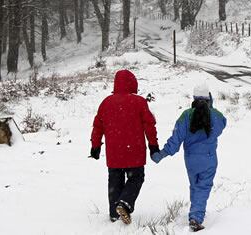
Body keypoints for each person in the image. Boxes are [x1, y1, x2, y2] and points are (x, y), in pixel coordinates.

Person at [151, 83, 227, 232]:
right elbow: (222, 125)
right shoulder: (216, 116)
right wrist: (211, 108)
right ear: (208, 98)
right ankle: (196, 217)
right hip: (209, 158)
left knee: (195, 186)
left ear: (194, 98)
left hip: (191, 160)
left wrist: (161, 154)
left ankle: (195, 212)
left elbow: (175, 140)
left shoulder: (186, 115)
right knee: (203, 187)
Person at [90, 69, 159, 224]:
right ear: (132, 84)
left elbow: (97, 126)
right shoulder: (140, 102)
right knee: (136, 178)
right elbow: (149, 125)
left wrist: (95, 146)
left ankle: (114, 214)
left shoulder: (106, 103)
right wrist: (153, 145)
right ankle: (125, 203)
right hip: (134, 151)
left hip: (114, 153)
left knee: (115, 181)